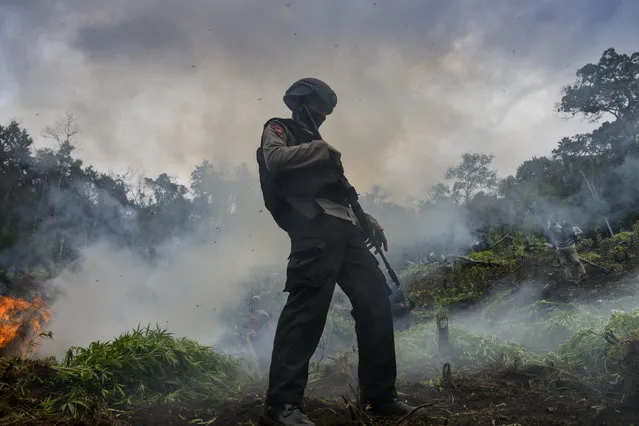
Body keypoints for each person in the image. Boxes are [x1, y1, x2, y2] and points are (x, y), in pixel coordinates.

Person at [256, 78, 416, 425]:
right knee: (306, 311)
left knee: (376, 304)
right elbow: (274, 159)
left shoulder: (317, 144)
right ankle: (282, 406)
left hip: (346, 229)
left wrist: (367, 220)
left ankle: (381, 396)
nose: (322, 119)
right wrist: (321, 151)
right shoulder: (279, 127)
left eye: (326, 115)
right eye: (318, 111)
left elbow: (339, 194)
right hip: (313, 229)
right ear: (301, 104)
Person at [545, 218, 587, 282]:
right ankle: (571, 279)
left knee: (575, 261)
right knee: (565, 263)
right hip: (562, 249)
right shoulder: (553, 232)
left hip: (569, 248)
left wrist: (550, 225)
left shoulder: (565, 229)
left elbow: (576, 231)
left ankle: (583, 275)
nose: (555, 226)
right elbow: (548, 236)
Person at [246, 295, 273, 371]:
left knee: (263, 357)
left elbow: (266, 327)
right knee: (258, 358)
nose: (254, 304)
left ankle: (265, 373)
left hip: (263, 339)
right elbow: (252, 327)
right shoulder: (251, 315)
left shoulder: (263, 314)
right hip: (256, 340)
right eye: (253, 302)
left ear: (258, 304)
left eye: (256, 302)